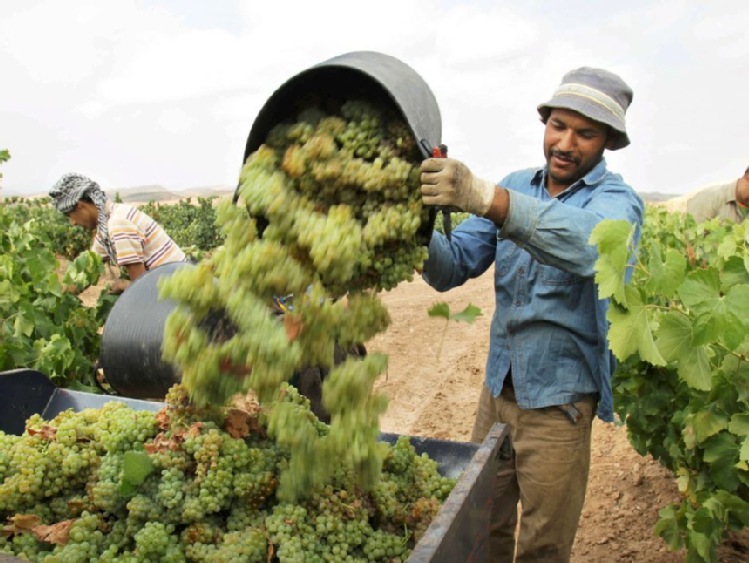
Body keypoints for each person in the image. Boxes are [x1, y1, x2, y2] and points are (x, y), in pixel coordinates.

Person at [419, 67, 645, 562]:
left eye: (585, 133)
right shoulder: (518, 184)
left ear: (607, 141)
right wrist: (410, 229)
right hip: (497, 392)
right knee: (482, 521)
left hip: (559, 406)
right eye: (557, 125)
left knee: (542, 544)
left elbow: (591, 248)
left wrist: (488, 200)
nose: (565, 143)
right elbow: (454, 264)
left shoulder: (617, 202)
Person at [49, 173, 186, 292]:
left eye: (69, 215)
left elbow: (141, 288)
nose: (72, 223)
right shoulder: (107, 226)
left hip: (179, 289)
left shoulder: (117, 225)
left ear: (81, 206)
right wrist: (60, 295)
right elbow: (89, 268)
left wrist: (123, 285)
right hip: (168, 283)